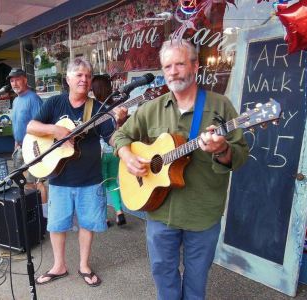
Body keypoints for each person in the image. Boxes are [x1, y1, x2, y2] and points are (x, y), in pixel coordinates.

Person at [113, 39, 249, 299]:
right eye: (167, 66)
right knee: (163, 274)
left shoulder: (221, 107)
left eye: (179, 64)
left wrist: (221, 149)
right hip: (159, 210)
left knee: (197, 280)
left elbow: (240, 155)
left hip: (202, 212)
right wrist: (127, 155)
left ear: (196, 66)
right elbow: (120, 137)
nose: (173, 72)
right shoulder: (151, 109)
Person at [27, 57, 127, 287]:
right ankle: (59, 265)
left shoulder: (99, 109)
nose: (84, 79)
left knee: (87, 223)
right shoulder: (54, 103)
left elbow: (110, 138)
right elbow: (32, 127)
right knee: (57, 224)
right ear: (68, 78)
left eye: (88, 76)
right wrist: (56, 129)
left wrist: (119, 124)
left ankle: (84, 265)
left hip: (90, 179)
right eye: (79, 75)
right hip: (59, 177)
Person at [91, 74, 127, 226]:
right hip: (115, 151)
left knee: (100, 186)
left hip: (99, 152)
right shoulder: (116, 108)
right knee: (112, 182)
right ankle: (119, 213)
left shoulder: (94, 109)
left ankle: (104, 217)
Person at [8, 68, 48, 205]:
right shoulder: (15, 101)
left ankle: (44, 217)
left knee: (38, 182)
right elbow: (17, 124)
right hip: (19, 147)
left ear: (25, 79)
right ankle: (33, 214)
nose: (14, 83)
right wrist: (16, 143)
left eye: (17, 79)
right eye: (12, 81)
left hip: (33, 148)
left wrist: (37, 149)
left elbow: (41, 124)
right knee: (24, 183)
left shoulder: (33, 98)